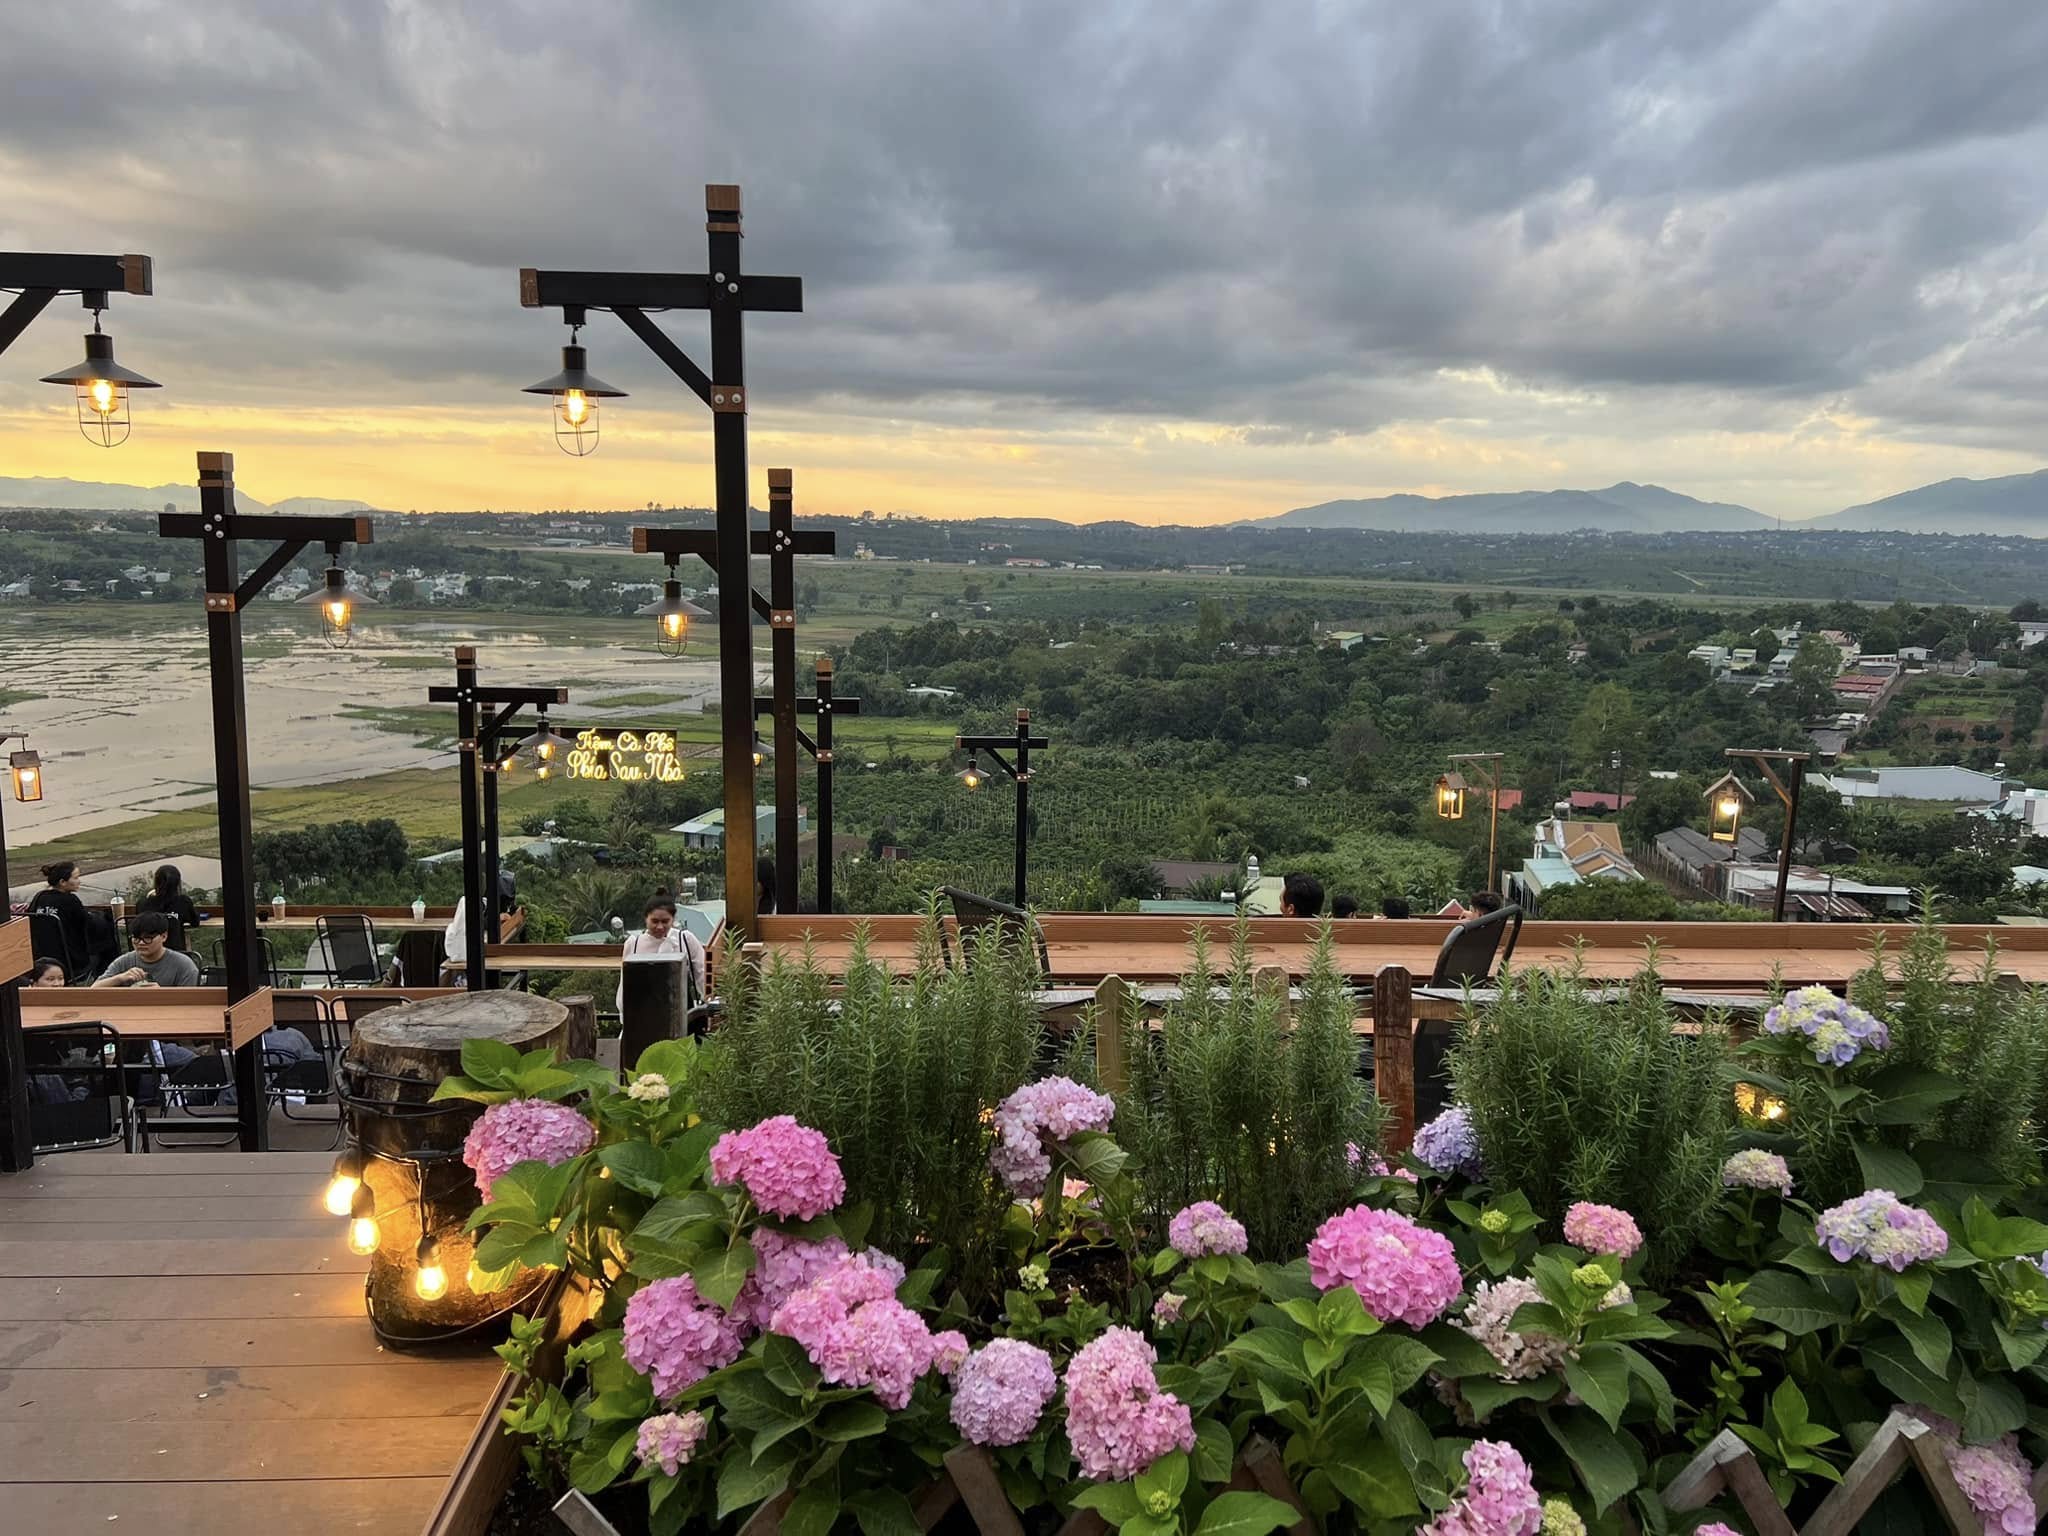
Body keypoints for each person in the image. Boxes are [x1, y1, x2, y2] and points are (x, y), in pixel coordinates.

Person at [616, 892, 708, 1016]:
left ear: (673, 919)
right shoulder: (634, 943)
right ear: (645, 918)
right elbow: (626, 984)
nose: (660, 927)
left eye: (665, 921)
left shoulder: (685, 939)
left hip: (683, 1011)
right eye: (654, 921)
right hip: (644, 1012)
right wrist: (624, 1012)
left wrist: (708, 1003)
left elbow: (702, 974)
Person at [93, 911, 201, 988]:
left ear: (164, 936)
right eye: (136, 938)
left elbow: (190, 1003)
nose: (141, 943)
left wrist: (162, 995)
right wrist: (120, 978)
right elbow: (93, 990)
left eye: (147, 938)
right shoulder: (124, 961)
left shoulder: (183, 965)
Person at [27, 862, 91, 981]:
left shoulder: (39, 897)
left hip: (40, 957)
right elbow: (87, 923)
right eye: (76, 878)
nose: (79, 881)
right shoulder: (70, 900)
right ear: (62, 882)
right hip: (69, 961)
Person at [138, 864, 203, 951]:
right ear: (177, 883)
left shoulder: (143, 904)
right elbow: (195, 922)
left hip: (148, 955)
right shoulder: (183, 902)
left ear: (156, 882)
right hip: (177, 955)